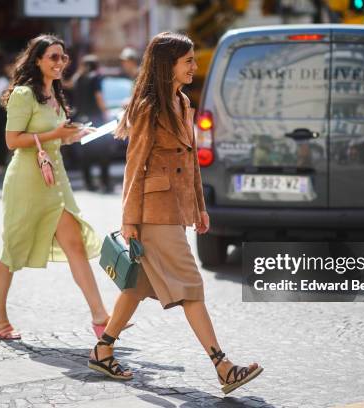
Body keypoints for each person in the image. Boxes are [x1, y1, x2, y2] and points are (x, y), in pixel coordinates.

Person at [87, 32, 263, 395]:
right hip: (153, 213)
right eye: (188, 62)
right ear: (169, 65)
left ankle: (103, 349)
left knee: (136, 286)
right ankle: (223, 365)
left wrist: (199, 207)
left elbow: (191, 163)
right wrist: (129, 220)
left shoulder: (181, 102)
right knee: (192, 287)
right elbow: (135, 167)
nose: (194, 67)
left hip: (174, 211)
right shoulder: (149, 108)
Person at [0, 34, 125, 340]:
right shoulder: (24, 94)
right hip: (27, 179)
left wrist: (72, 135)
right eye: (53, 57)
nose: (60, 62)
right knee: (13, 249)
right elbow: (13, 141)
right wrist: (55, 134)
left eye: (63, 57)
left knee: (74, 244)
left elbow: (53, 134)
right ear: (37, 60)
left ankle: (100, 317)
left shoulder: (55, 93)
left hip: (55, 177)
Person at [69, 55, 111, 192]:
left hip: (82, 119)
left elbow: (69, 87)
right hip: (97, 118)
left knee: (86, 153)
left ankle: (89, 183)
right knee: (103, 152)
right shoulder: (95, 77)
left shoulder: (78, 79)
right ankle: (105, 183)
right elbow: (98, 96)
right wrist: (106, 113)